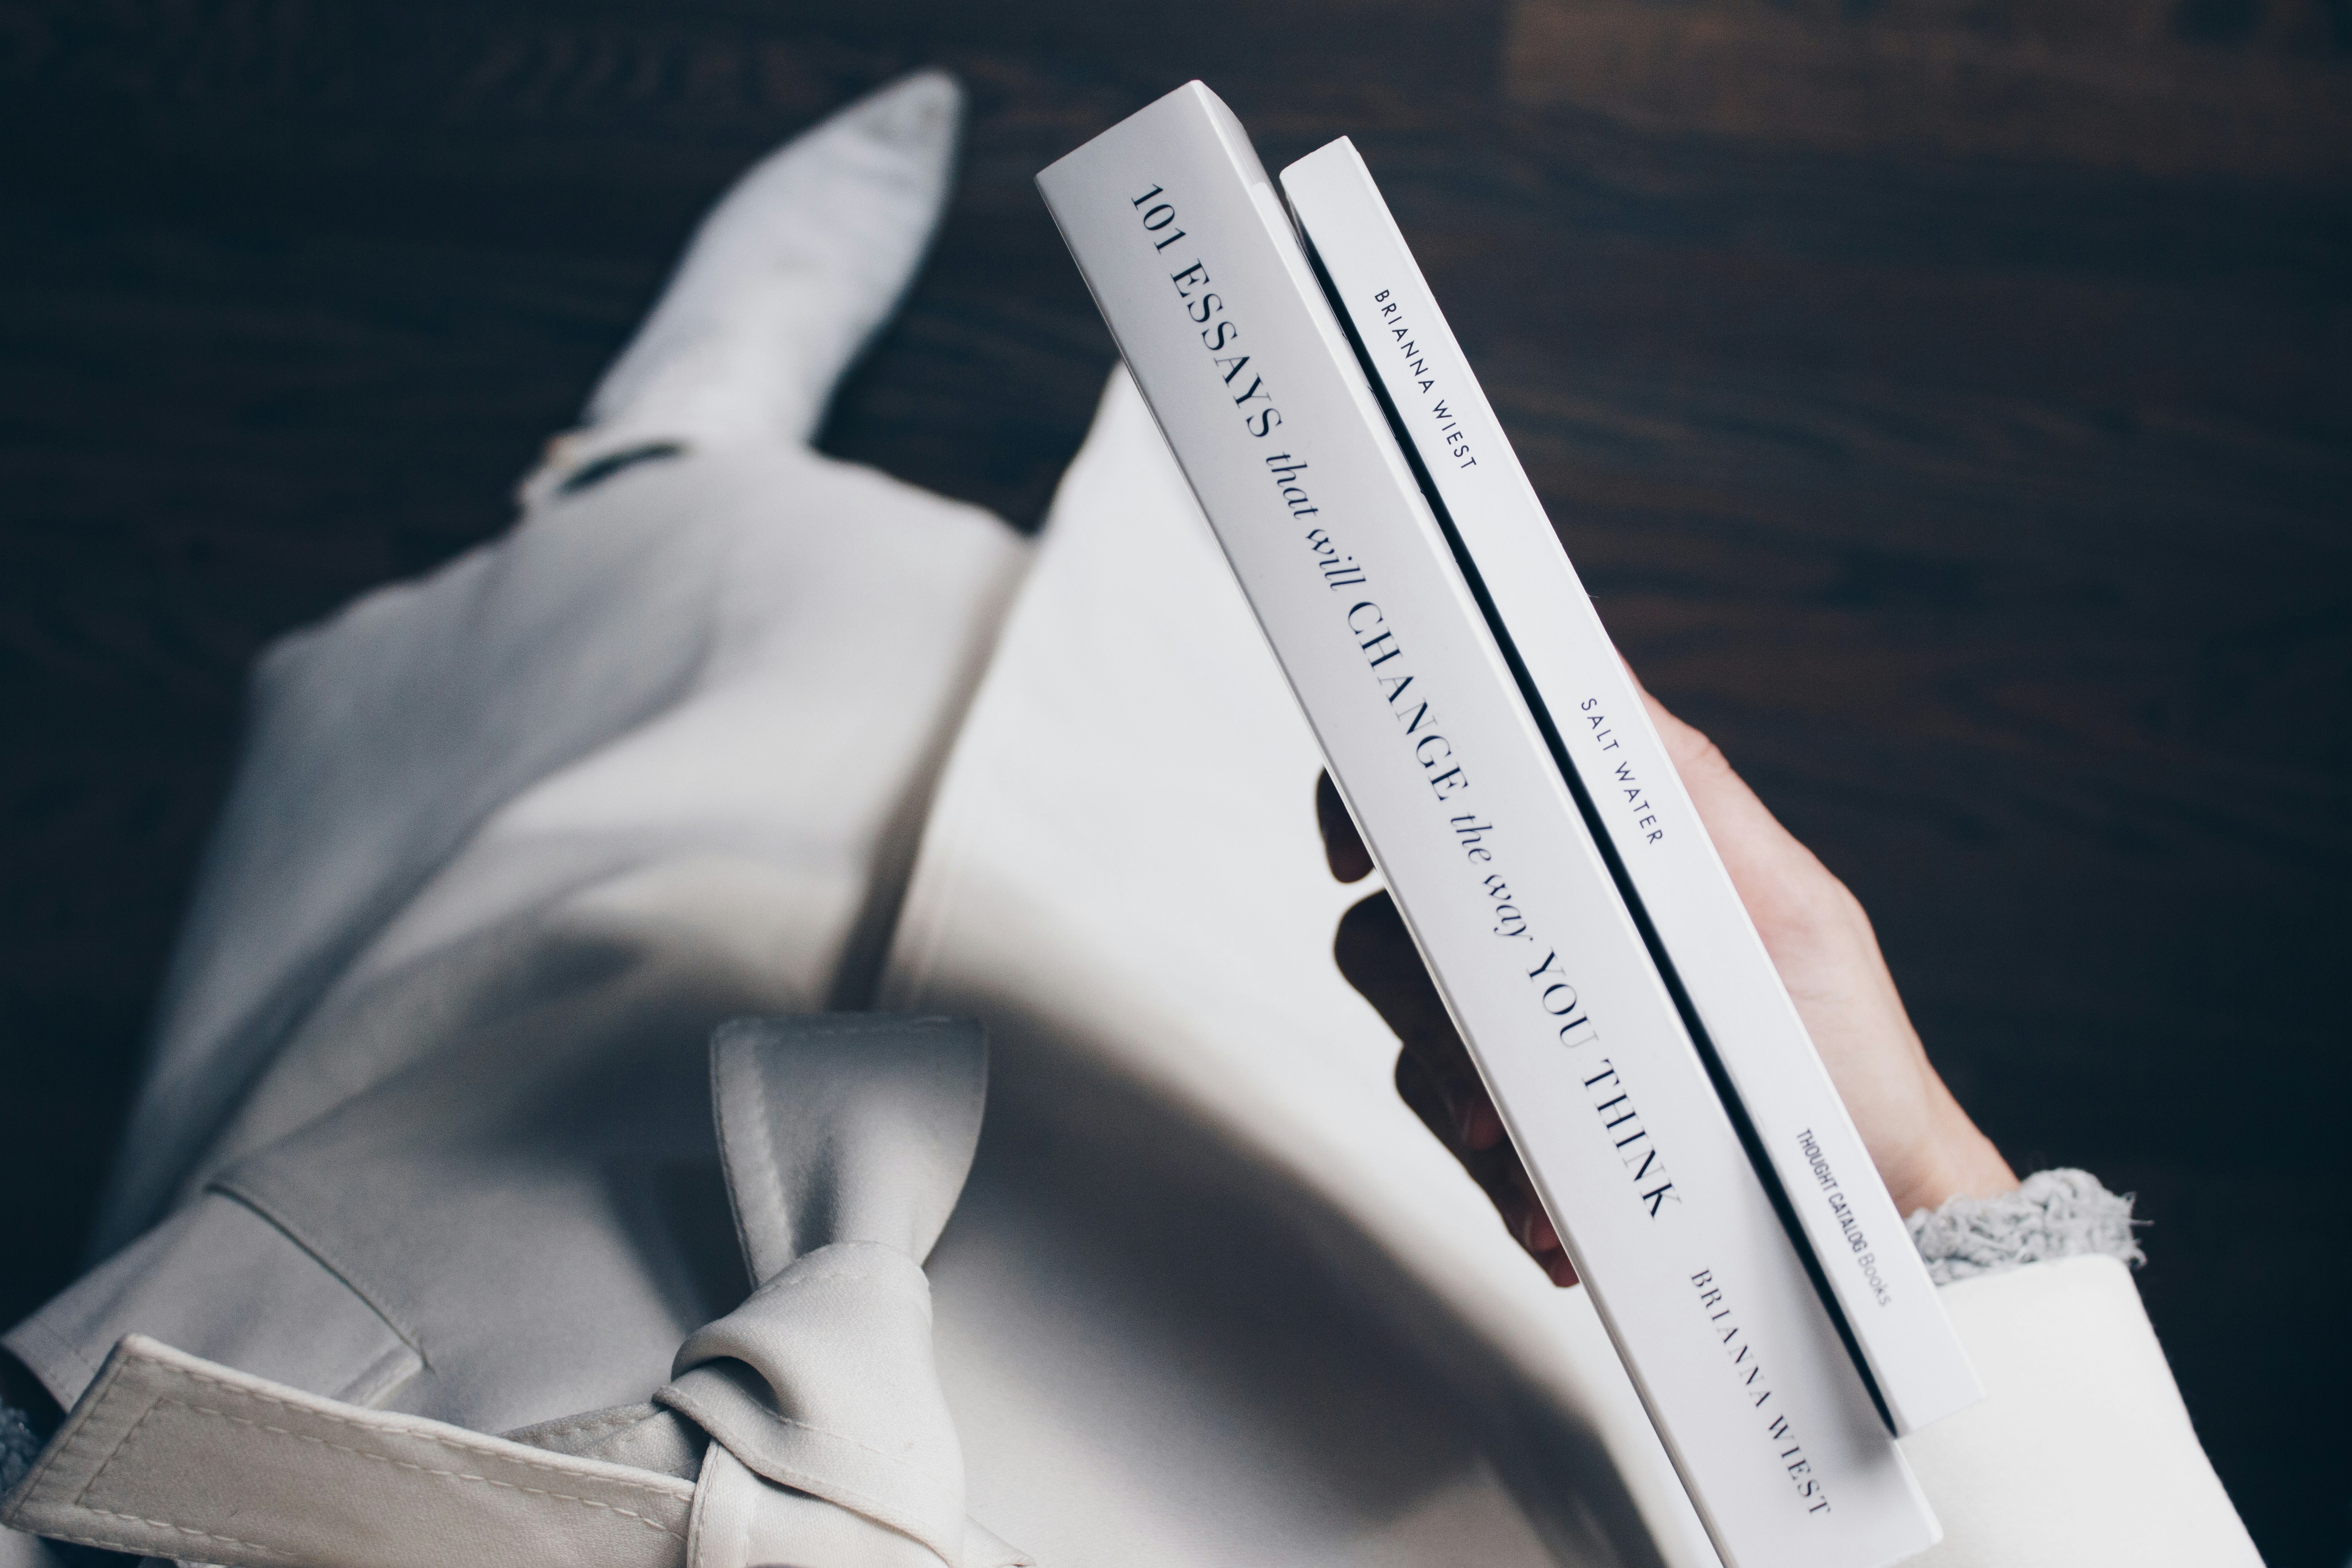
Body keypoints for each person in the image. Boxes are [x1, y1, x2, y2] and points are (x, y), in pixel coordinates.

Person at [0, 72, 2262, 1568]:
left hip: (486, 1412)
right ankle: (688, 477)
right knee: (1079, 823)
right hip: (1300, 1379)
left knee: (633, 817)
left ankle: (652, 468)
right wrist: (1920, 1181)